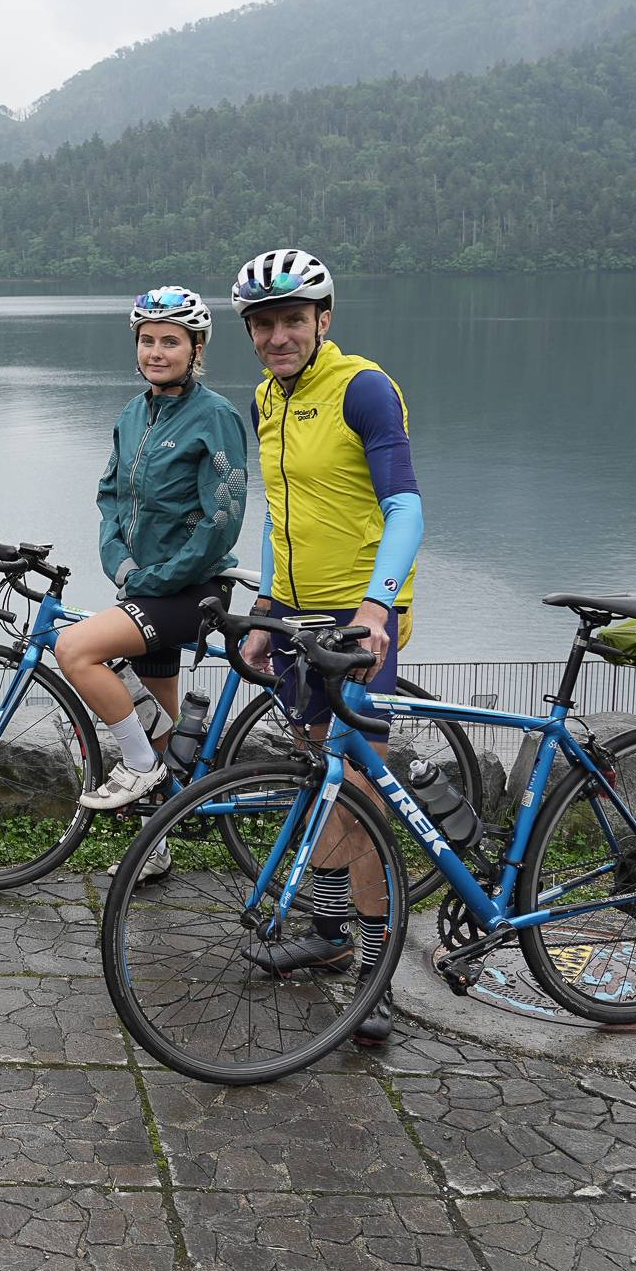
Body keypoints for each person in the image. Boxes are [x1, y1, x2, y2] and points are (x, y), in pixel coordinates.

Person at [230, 248, 423, 1047]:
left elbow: (406, 507)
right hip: (301, 617)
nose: (278, 336)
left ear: (323, 321)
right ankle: (332, 931)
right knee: (321, 776)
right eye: (264, 324)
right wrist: (268, 607)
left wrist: (377, 609)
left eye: (292, 321)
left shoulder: (364, 389)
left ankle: (376, 968)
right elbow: (279, 516)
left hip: (359, 616)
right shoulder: (265, 402)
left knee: (361, 789)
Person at [53, 287, 250, 879]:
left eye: (171, 341)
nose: (157, 351)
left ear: (196, 348)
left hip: (194, 588)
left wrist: (160, 579)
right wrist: (122, 566)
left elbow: (224, 516)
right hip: (144, 587)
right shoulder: (131, 415)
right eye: (148, 340)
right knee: (161, 724)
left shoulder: (215, 414)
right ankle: (155, 846)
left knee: (76, 648)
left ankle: (137, 767)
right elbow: (110, 498)